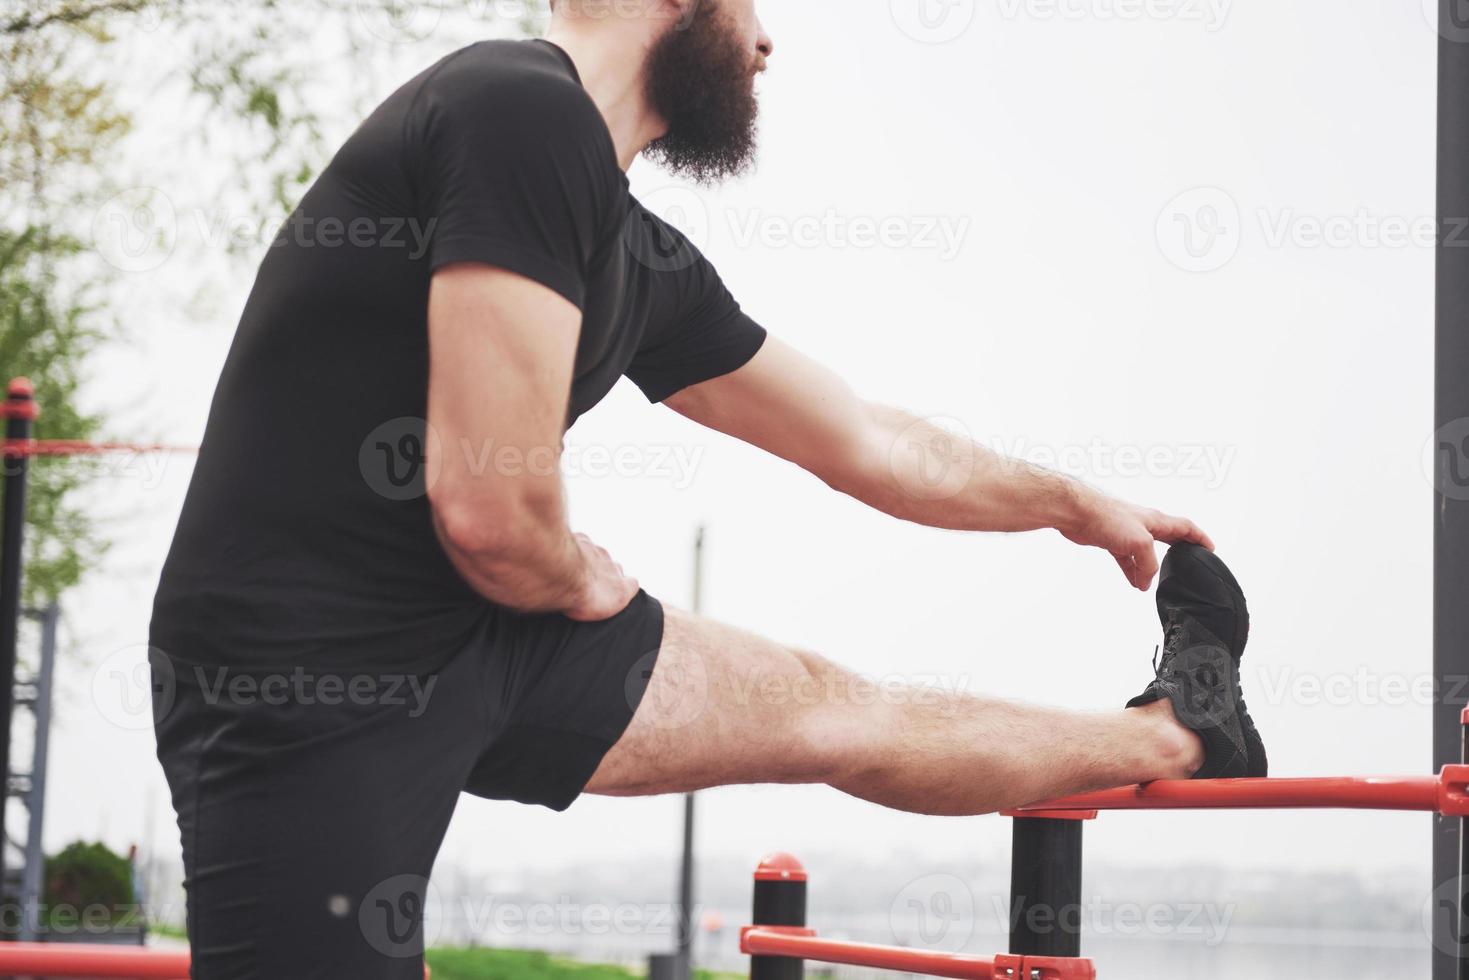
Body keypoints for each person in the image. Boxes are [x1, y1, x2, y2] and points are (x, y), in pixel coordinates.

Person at [149, 1, 1266, 975]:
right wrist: (574, 568)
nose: (769, 40)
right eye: (750, 7)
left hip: (484, 629)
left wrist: (1071, 503)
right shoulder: (514, 110)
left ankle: (1185, 730)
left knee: (836, 708)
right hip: (302, 668)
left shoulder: (637, 249)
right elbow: (490, 513)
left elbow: (864, 438)